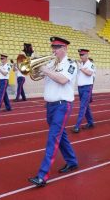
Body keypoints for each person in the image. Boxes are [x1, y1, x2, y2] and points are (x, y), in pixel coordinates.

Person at [28, 37, 78, 187]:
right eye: (53, 47)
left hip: (62, 105)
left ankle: (42, 175)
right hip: (50, 106)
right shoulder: (51, 63)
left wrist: (45, 69)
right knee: (60, 136)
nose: (53, 50)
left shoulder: (71, 64)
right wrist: (31, 58)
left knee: (53, 138)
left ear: (65, 48)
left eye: (56, 47)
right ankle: (72, 161)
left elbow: (62, 80)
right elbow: (35, 75)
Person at [72, 49, 95, 133]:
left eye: (82, 55)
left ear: (86, 55)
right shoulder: (80, 64)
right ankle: (90, 122)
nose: (80, 56)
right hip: (80, 88)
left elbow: (89, 73)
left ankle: (77, 126)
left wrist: (80, 67)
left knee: (82, 106)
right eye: (80, 55)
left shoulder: (91, 64)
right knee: (86, 106)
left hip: (87, 88)